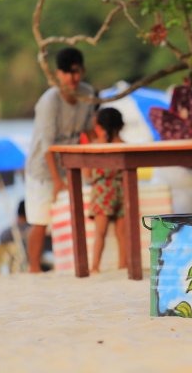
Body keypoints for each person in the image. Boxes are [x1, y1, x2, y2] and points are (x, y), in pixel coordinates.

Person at [25, 47, 96, 273]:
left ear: (82, 71)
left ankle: (74, 264)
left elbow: (90, 132)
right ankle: (33, 268)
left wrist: (93, 166)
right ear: (58, 74)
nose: (71, 78)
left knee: (79, 216)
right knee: (40, 219)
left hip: (72, 166)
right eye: (66, 73)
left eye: (75, 72)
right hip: (43, 169)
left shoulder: (87, 94)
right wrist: (57, 181)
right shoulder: (50, 101)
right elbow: (47, 145)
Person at [84, 107, 127, 273]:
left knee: (99, 233)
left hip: (102, 191)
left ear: (100, 126)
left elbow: (87, 174)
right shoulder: (124, 146)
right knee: (122, 234)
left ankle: (95, 267)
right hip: (122, 190)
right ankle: (123, 265)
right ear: (120, 126)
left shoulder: (94, 147)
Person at [0, 200, 53, 272]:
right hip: (33, 267)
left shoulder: (4, 234)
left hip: (14, 270)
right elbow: (51, 246)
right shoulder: (36, 231)